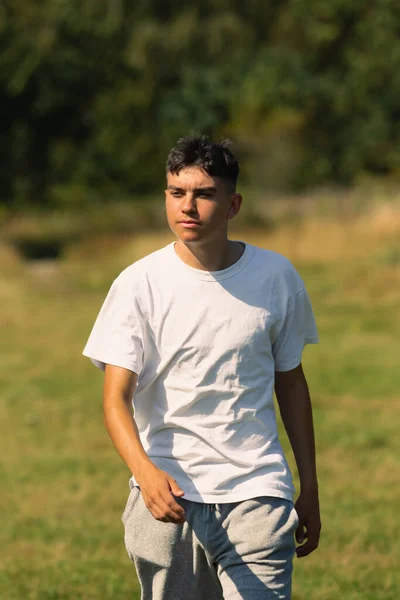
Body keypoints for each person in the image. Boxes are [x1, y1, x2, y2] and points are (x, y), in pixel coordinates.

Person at [82, 135, 321, 600]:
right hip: (168, 501)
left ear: (232, 204)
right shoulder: (137, 285)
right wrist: (146, 474)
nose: (187, 207)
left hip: (258, 494)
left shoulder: (277, 278)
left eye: (204, 194)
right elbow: (115, 399)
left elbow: (291, 383)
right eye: (176, 192)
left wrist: (308, 485)